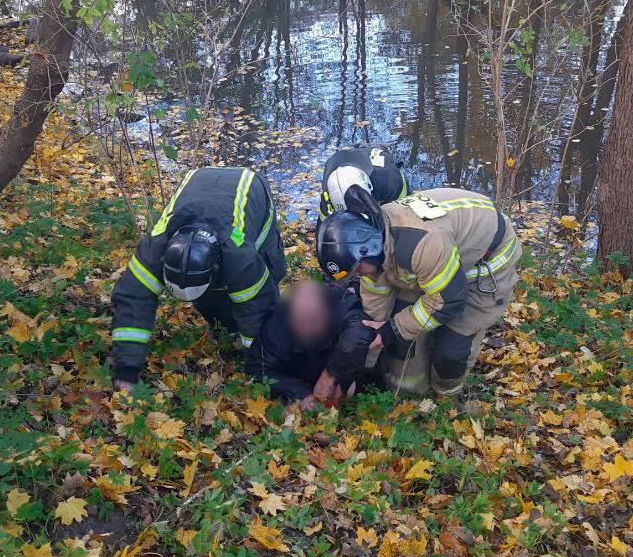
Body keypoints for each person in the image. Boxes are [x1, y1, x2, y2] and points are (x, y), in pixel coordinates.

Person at [315, 186, 520, 397]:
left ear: (368, 250)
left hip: (485, 264)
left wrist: (393, 329)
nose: (357, 277)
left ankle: (446, 398)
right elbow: (374, 312)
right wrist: (359, 368)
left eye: (357, 270)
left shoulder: (421, 245)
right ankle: (410, 394)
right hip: (440, 261)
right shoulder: (376, 242)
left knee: (452, 349)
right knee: (404, 332)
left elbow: (448, 302)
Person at [110, 167, 285, 387]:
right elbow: (133, 301)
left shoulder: (241, 258)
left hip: (250, 186)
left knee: (269, 272)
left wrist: (260, 367)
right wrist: (126, 370)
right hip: (201, 180)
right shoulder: (155, 247)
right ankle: (225, 324)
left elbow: (258, 308)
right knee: (212, 301)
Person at [246, 280, 375, 408]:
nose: (305, 330)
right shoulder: (277, 324)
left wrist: (334, 376)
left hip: (330, 367)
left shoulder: (343, 304)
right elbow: (257, 369)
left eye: (312, 321)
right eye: (299, 321)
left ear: (327, 312)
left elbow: (359, 333)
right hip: (296, 376)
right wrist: (301, 393)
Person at [319, 145, 411, 218]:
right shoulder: (328, 192)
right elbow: (324, 223)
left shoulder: (389, 182)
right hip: (349, 159)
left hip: (387, 175)